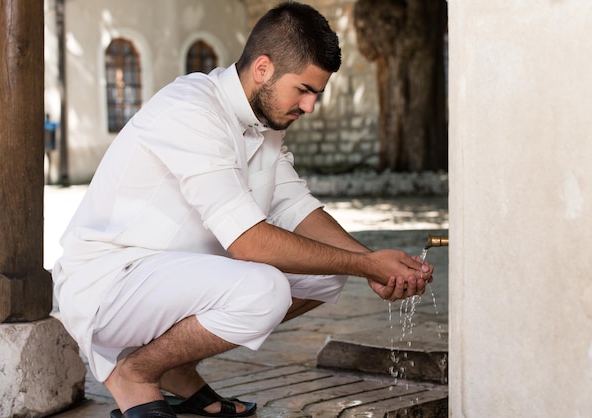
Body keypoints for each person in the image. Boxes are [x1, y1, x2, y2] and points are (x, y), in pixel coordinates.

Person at [52, 2, 434, 417]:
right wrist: (367, 266)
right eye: (304, 90)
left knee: (328, 274)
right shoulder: (192, 108)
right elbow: (249, 243)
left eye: (316, 95)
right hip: (113, 282)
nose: (309, 107)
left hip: (172, 276)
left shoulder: (262, 123)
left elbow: (296, 207)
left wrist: (372, 262)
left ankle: (175, 366)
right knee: (263, 290)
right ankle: (137, 372)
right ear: (263, 68)